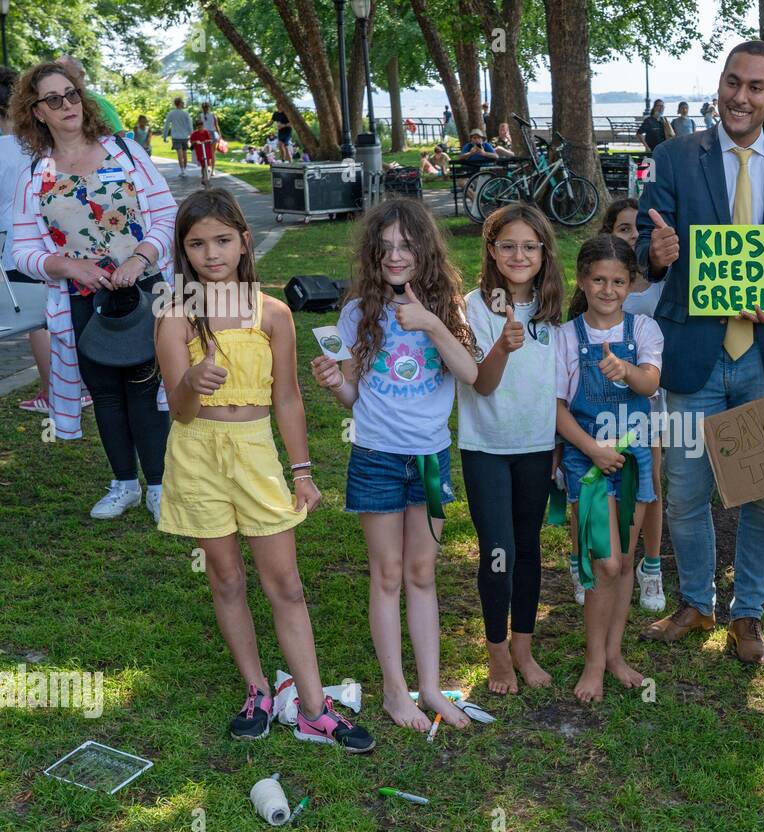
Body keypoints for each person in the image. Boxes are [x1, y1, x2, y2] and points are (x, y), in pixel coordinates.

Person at [635, 40, 764, 663]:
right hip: (693, 350)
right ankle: (696, 603)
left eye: (755, 87)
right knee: (688, 487)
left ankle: (747, 613)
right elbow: (645, 241)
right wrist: (654, 255)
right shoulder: (672, 157)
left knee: (762, 491)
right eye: (731, 83)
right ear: (719, 85)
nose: (740, 97)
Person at [154, 187, 373, 752]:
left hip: (255, 455)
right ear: (184, 250)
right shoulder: (175, 314)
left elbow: (289, 399)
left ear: (243, 241)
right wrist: (188, 385)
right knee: (225, 578)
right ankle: (255, 689)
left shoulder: (272, 313)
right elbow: (179, 412)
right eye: (197, 244)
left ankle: (314, 707)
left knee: (288, 585)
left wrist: (301, 471)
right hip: (197, 454)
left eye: (223, 240)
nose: (212, 253)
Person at [309, 198, 477, 734]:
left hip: (428, 460)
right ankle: (393, 690)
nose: (396, 255)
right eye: (385, 248)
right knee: (386, 575)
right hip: (377, 457)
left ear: (424, 249)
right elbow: (353, 393)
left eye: (406, 245)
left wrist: (430, 321)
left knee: (422, 572)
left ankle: (430, 686)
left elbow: (470, 373)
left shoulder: (448, 307)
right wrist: (336, 384)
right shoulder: (358, 313)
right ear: (372, 254)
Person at [11, 61, 177, 519]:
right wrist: (66, 266)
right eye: (54, 99)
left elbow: (167, 216)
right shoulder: (35, 175)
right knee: (104, 391)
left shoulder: (125, 152)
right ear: (37, 112)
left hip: (144, 291)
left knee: (146, 387)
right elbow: (22, 251)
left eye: (72, 94)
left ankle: (160, 487)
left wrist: (140, 258)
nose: (67, 105)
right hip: (82, 300)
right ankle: (123, 483)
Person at [459, 203, 566, 695]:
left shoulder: (555, 311)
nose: (519, 255)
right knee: (498, 550)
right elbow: (481, 385)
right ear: (491, 250)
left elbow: (563, 383)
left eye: (529, 246)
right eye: (508, 245)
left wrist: (562, 443)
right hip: (486, 446)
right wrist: (502, 344)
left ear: (543, 253)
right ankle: (497, 651)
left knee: (528, 550)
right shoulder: (471, 307)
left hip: (537, 446)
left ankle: (523, 647)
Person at [556, 235, 661, 703]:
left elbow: (651, 381)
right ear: (582, 280)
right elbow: (556, 407)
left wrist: (628, 373)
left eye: (618, 281)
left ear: (631, 283)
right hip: (588, 460)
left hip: (634, 459)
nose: (608, 289)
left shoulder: (644, 331)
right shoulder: (565, 336)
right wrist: (590, 449)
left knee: (623, 567)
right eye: (598, 279)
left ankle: (616, 654)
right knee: (605, 562)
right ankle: (594, 662)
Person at [595, 197, 667, 613]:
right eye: (624, 228)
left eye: (641, 229)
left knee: (651, 483)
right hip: (601, 402)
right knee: (594, 481)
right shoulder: (603, 285)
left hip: (651, 395)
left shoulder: (663, 281)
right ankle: (588, 560)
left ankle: (650, 566)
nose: (634, 235)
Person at [0, 64, 58, 416]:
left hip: (15, 241)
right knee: (57, 311)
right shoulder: (36, 142)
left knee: (38, 320)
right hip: (51, 234)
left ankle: (54, 392)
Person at [56, 56, 123, 135]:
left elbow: (119, 135)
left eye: (69, 77)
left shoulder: (98, 102)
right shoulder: (58, 103)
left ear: (81, 75)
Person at [163, 97, 193, 177]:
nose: (183, 104)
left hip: (176, 136)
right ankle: (185, 169)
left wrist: (165, 136)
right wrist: (192, 135)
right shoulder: (185, 114)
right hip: (184, 136)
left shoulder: (171, 113)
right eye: (182, 102)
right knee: (184, 153)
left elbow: (166, 125)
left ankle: (182, 170)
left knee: (179, 154)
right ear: (179, 103)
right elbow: (190, 126)